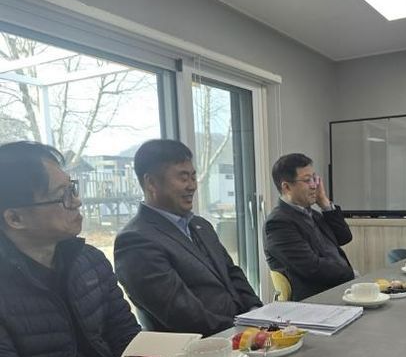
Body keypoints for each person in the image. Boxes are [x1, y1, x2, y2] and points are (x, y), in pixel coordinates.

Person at [0, 141, 140, 357]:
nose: (76, 201)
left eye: (72, 188)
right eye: (62, 196)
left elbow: (127, 339)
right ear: (15, 218)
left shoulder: (89, 260)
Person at [114, 139, 262, 335]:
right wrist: (243, 331)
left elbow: (232, 273)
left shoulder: (201, 226)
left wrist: (257, 313)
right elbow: (183, 316)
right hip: (204, 345)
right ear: (151, 183)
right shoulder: (135, 241)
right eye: (183, 178)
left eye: (193, 177)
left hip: (242, 334)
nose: (192, 186)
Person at [265, 153, 354, 301]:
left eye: (314, 179)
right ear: (286, 187)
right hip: (315, 298)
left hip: (338, 287)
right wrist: (350, 274)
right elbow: (312, 268)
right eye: (307, 180)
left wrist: (324, 203)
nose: (314, 186)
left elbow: (344, 237)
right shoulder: (278, 223)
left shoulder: (312, 214)